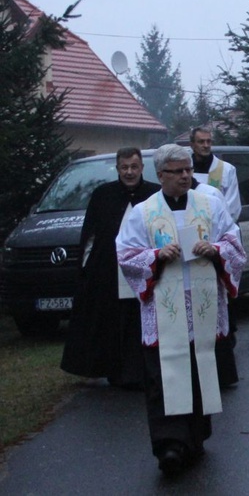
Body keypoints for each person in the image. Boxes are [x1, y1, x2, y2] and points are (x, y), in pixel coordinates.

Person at [116, 144, 246, 475]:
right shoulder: (143, 212)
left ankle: (195, 437)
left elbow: (234, 243)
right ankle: (169, 446)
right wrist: (156, 256)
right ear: (160, 175)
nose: (186, 176)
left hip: (202, 305)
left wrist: (215, 249)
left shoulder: (210, 204)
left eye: (189, 170)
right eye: (178, 171)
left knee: (200, 370)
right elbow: (126, 255)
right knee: (164, 376)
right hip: (164, 309)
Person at [61, 147, 160, 388]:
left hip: (145, 270)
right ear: (117, 169)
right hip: (109, 272)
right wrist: (86, 269)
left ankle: (145, 372)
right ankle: (116, 372)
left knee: (141, 322)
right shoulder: (103, 195)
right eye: (124, 167)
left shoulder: (154, 195)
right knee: (113, 323)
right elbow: (91, 235)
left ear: (141, 168)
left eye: (133, 167)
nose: (129, 172)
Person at [190, 127, 241, 388]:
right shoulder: (183, 166)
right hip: (190, 240)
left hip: (217, 237)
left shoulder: (225, 170)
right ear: (192, 144)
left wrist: (217, 237)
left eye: (209, 141)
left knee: (222, 293)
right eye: (201, 142)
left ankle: (226, 336)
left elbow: (231, 207)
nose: (206, 146)